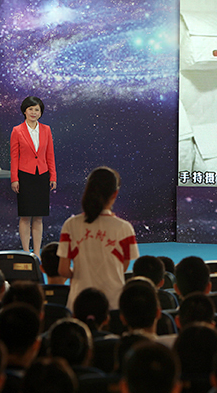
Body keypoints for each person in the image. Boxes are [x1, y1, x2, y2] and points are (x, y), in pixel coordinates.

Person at [57, 167, 139, 310]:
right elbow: (122, 267)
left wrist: (80, 274)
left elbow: (63, 270)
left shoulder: (71, 225)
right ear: (115, 194)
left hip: (78, 302)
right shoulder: (124, 228)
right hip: (113, 303)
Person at [10, 96, 57, 257]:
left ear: (41, 112)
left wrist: (53, 176)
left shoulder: (46, 129)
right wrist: (14, 179)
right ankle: (25, 251)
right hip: (25, 176)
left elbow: (50, 154)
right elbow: (14, 157)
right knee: (25, 216)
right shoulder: (17, 130)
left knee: (38, 217)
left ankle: (36, 253)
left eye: (37, 109)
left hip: (42, 176)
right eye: (31, 109)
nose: (34, 112)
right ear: (24, 111)